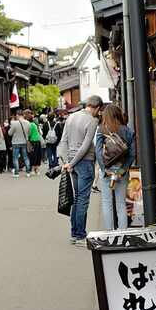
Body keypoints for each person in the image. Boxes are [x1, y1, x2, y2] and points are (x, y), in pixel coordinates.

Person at [58, 95, 104, 245]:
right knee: (82, 199)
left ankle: (74, 233)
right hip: (83, 161)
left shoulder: (71, 117)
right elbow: (85, 146)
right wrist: (72, 163)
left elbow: (63, 141)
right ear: (97, 108)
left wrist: (67, 162)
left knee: (76, 199)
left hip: (71, 159)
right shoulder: (92, 121)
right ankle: (80, 235)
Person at [94, 103, 137, 231]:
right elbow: (132, 153)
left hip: (107, 171)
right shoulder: (128, 130)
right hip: (121, 172)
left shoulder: (101, 129)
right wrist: (123, 170)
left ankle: (109, 233)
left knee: (107, 204)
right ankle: (122, 233)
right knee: (121, 204)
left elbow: (98, 151)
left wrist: (104, 169)